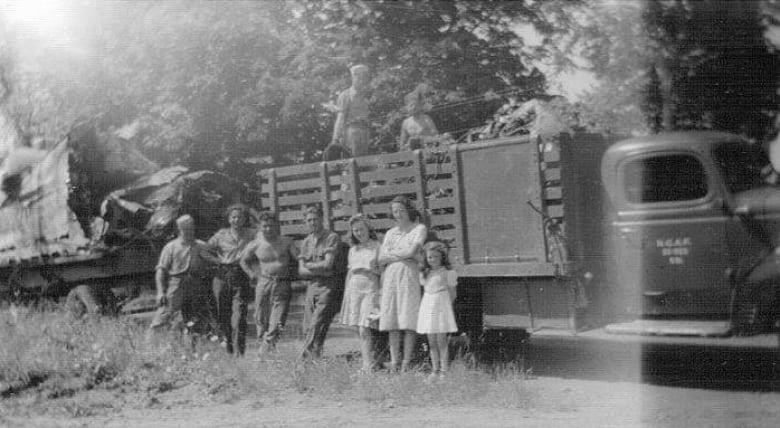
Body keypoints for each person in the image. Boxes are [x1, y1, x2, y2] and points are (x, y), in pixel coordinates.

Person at [378, 196, 427, 372]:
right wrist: (403, 254)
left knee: (407, 319)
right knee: (392, 320)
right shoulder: (390, 233)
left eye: (401, 210)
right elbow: (381, 258)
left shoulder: (418, 229)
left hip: (408, 275)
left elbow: (412, 251)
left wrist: (397, 254)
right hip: (390, 277)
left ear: (409, 210)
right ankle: (394, 361)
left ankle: (406, 361)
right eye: (395, 211)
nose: (398, 214)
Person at [239, 211, 299, 354]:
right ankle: (268, 347)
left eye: (271, 226)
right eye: (265, 226)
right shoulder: (255, 244)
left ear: (276, 226)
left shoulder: (286, 241)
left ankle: (264, 351)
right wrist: (251, 274)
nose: (268, 229)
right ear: (260, 226)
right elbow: (243, 260)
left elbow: (299, 258)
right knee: (259, 317)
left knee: (277, 318)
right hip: (263, 283)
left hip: (282, 283)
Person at [147, 215, 212, 340]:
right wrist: (160, 292)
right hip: (176, 285)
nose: (188, 232)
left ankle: (194, 346)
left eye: (191, 228)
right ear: (179, 230)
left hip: (195, 285)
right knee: (163, 315)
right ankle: (149, 343)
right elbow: (160, 271)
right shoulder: (171, 247)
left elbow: (212, 265)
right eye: (185, 229)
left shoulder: (201, 246)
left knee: (195, 318)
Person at [204, 204, 255, 355]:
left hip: (241, 275)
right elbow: (204, 251)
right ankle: (228, 351)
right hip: (222, 276)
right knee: (223, 315)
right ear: (228, 219)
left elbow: (266, 234)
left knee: (239, 315)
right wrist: (217, 261)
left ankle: (240, 352)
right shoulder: (221, 235)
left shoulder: (252, 233)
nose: (236, 220)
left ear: (245, 219)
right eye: (233, 217)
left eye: (240, 217)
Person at [298, 205, 343, 359]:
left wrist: (310, 266)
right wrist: (318, 267)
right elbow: (301, 271)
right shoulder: (306, 242)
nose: (312, 223)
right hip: (312, 285)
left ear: (322, 219)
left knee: (317, 323)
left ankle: (303, 359)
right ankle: (315, 357)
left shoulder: (331, 237)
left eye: (315, 219)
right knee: (307, 325)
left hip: (328, 286)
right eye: (309, 220)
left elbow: (328, 264)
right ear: (305, 222)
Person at [340, 213, 381, 372]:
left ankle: (368, 365)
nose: (359, 233)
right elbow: (350, 273)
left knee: (365, 327)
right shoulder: (353, 250)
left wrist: (370, 271)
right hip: (354, 289)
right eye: (355, 230)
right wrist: (346, 294)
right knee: (357, 327)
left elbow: (382, 270)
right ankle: (370, 360)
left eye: (361, 229)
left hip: (370, 288)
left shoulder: (377, 246)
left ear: (368, 228)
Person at [416, 241, 458, 381]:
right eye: (430, 257)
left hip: (441, 306)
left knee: (441, 341)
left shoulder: (447, 273)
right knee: (432, 341)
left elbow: (452, 293)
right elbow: (425, 290)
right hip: (428, 305)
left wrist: (447, 308)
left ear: (442, 257)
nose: (432, 260)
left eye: (435, 257)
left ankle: (444, 371)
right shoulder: (425, 273)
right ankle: (434, 370)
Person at [332, 64, 371, 157]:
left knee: (364, 161)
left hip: (364, 131)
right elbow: (340, 118)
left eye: (363, 76)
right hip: (351, 131)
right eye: (357, 76)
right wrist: (335, 139)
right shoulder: (346, 95)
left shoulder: (364, 97)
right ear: (353, 77)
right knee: (353, 160)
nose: (361, 79)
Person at [399, 84, 439, 152]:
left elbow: (436, 136)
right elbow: (403, 141)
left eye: (416, 105)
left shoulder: (426, 119)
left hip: (428, 148)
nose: (414, 107)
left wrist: (422, 139)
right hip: (412, 151)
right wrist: (404, 148)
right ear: (407, 108)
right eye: (411, 106)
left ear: (420, 106)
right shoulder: (406, 122)